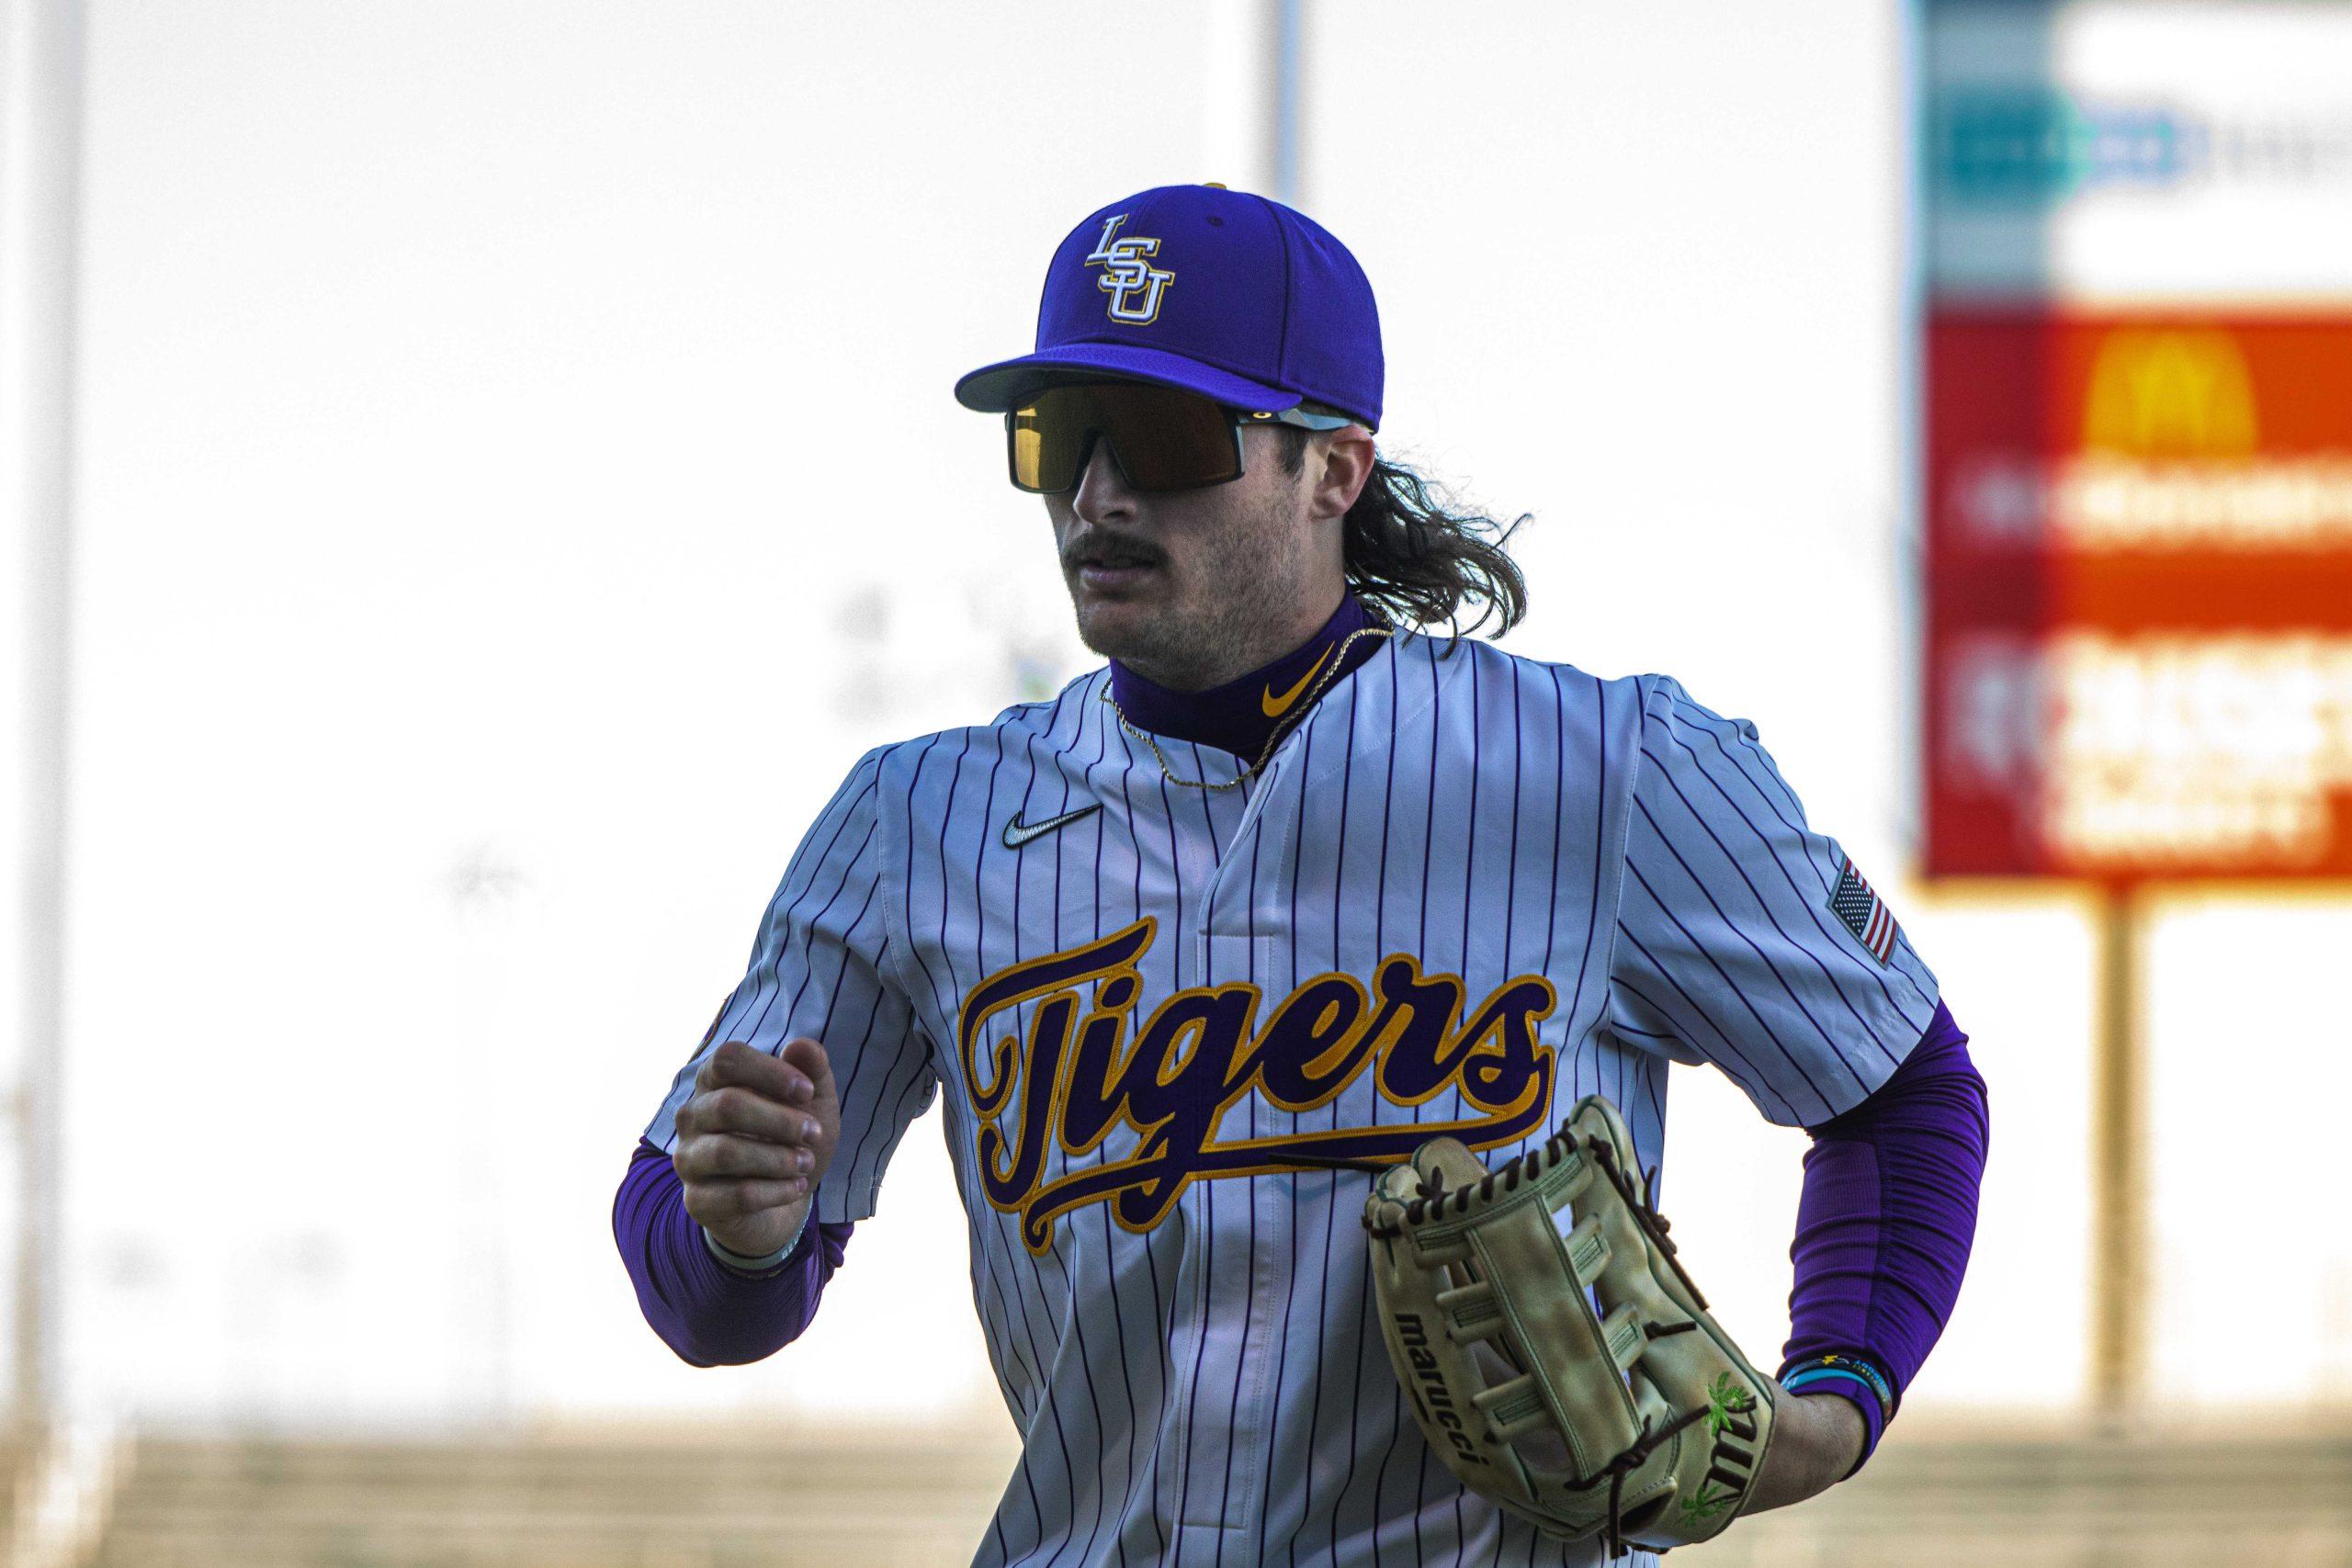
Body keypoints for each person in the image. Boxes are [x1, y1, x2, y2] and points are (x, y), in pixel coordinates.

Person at [613, 182, 1990, 1568]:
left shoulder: (1608, 770)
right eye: (1059, 437)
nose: (1098, 490)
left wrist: (1836, 1400)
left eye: (1160, 434)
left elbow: (1902, 1089)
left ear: (1335, 467)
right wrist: (741, 1237)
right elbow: (706, 1287)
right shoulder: (917, 821)